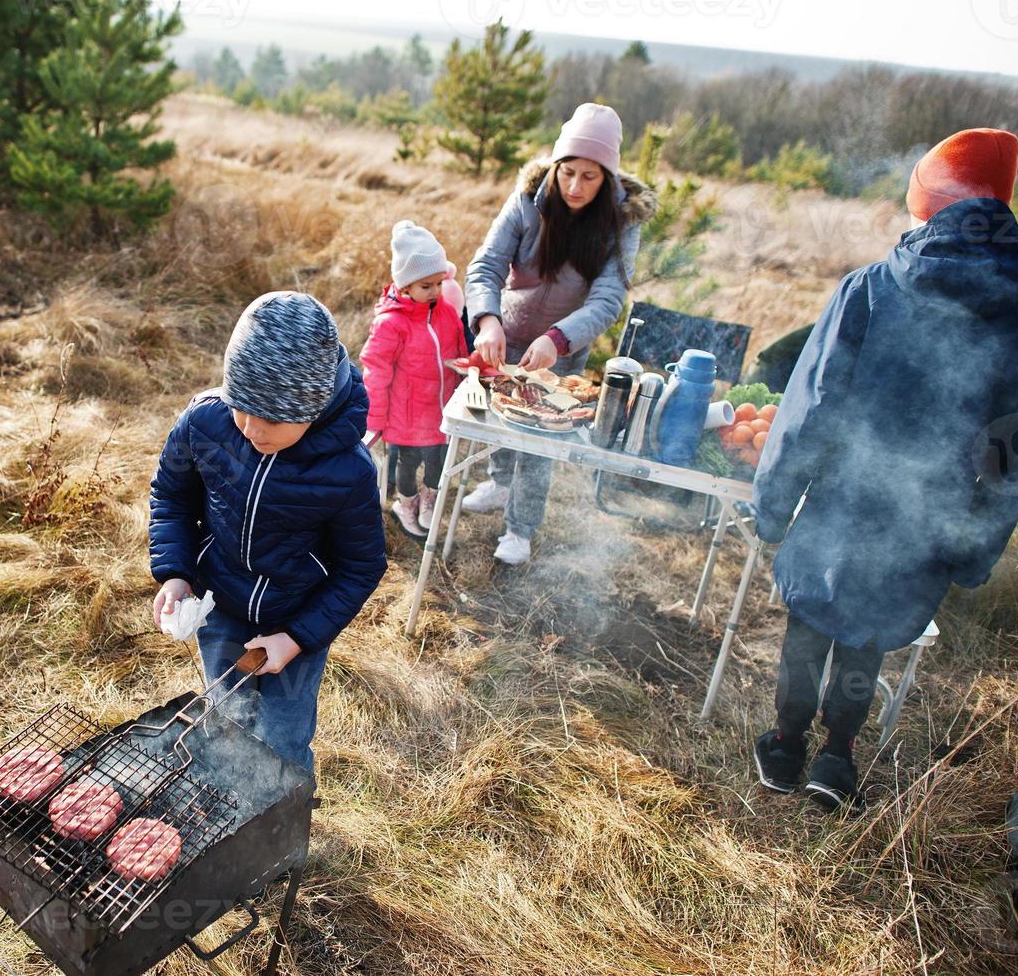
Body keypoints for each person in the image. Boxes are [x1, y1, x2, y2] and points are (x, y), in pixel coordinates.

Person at [752, 128, 1018, 813]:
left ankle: (785, 745)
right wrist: (974, 546)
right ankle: (835, 759)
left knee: (810, 621)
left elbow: (811, 406)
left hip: (842, 501)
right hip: (926, 519)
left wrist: (774, 500)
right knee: (866, 636)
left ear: (926, 206)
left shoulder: (872, 287)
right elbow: (1009, 445)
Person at [148, 291, 388, 779]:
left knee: (283, 736)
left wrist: (298, 638)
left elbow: (361, 567)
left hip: (297, 618)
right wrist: (176, 574)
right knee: (224, 712)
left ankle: (284, 823)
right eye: (242, 407)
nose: (253, 429)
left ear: (314, 406)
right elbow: (172, 497)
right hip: (223, 608)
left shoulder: (347, 471)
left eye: (273, 418)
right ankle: (222, 801)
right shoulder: (205, 422)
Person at [459, 103, 657, 564]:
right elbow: (485, 266)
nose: (574, 187)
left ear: (607, 177)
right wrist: (487, 319)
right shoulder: (528, 200)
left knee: (540, 438)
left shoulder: (622, 221)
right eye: (568, 172)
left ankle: (520, 530)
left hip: (562, 347)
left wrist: (558, 339)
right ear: (555, 166)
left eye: (590, 177)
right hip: (507, 331)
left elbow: (608, 299)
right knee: (503, 418)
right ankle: (499, 482)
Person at [360, 220, 469, 539]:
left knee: (437, 461)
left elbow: (459, 345)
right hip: (407, 413)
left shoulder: (444, 310)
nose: (437, 291)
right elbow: (376, 371)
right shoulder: (391, 324)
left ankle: (429, 499)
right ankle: (405, 504)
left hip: (440, 409)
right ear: (405, 285)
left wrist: (466, 375)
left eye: (439, 283)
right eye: (427, 286)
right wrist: (375, 418)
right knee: (407, 464)